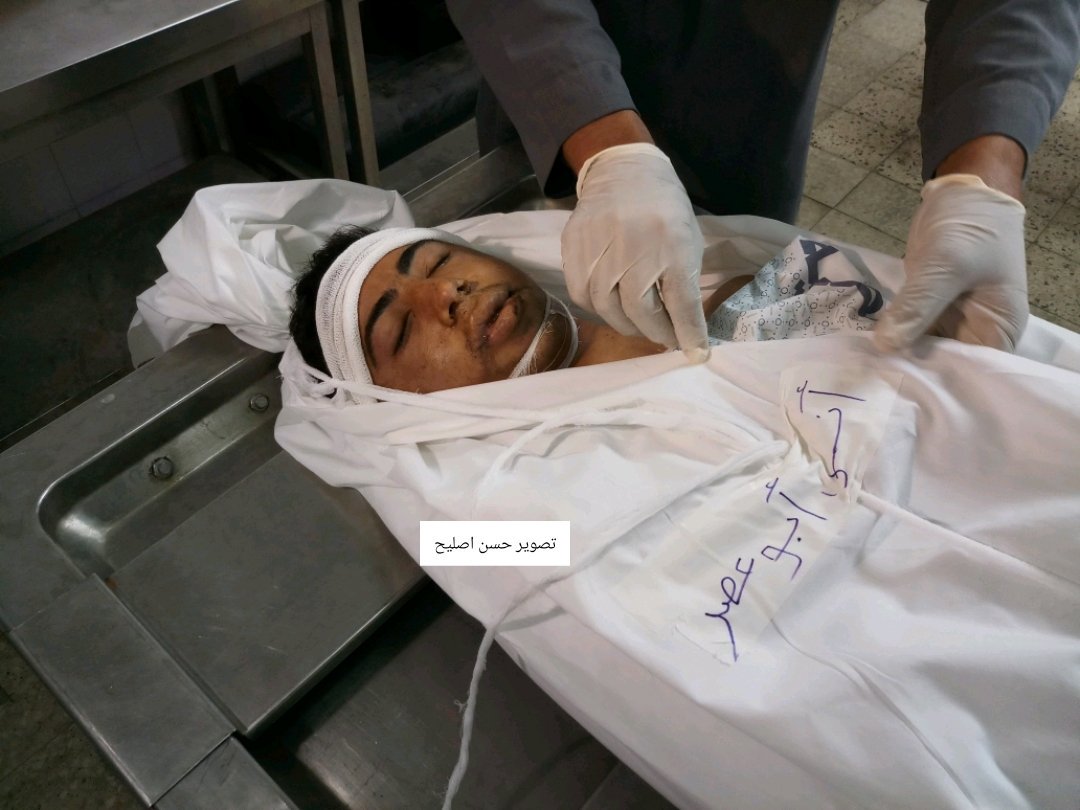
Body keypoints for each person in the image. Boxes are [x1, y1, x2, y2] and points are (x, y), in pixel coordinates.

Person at [445, 0, 1080, 359]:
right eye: (398, 331)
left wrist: (982, 181)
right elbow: (482, 544)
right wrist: (601, 145)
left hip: (750, 100)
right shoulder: (471, 523)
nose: (447, 298)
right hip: (554, 93)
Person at [289, 225, 885, 393]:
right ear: (391, 403)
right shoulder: (493, 518)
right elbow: (452, 550)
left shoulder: (757, 304)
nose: (447, 293)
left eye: (439, 262)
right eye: (400, 329)